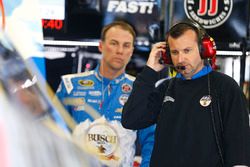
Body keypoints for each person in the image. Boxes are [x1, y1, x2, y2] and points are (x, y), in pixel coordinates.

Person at [121, 19, 250, 167]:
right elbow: (130, 119)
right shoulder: (165, 88)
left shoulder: (226, 87)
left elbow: (239, 147)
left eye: (187, 50)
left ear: (203, 50)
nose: (180, 59)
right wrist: (149, 71)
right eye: (175, 52)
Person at [56, 21, 155, 167]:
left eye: (126, 45)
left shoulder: (140, 89)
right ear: (101, 45)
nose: (120, 50)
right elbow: (53, 132)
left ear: (132, 50)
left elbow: (150, 139)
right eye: (114, 43)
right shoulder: (70, 85)